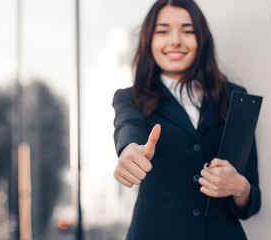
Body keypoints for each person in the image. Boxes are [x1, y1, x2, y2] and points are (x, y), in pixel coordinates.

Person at [112, 0, 261, 239]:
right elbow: (128, 127)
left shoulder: (236, 97)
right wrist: (129, 150)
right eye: (163, 31)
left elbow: (252, 200)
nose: (175, 40)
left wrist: (239, 187)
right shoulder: (131, 97)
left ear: (202, 39)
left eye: (187, 30)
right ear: (148, 40)